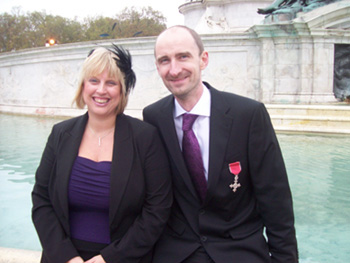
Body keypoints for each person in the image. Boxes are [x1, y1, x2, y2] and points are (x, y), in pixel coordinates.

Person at [143, 25, 298, 263]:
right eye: (165, 60)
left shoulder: (248, 115)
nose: (174, 69)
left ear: (203, 59)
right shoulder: (153, 117)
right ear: (157, 67)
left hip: (239, 250)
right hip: (176, 252)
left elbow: (275, 199)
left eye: (183, 56)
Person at [32, 44, 172, 263]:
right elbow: (41, 199)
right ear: (83, 85)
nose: (101, 90)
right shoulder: (60, 134)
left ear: (122, 90)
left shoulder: (145, 138)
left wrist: (109, 258)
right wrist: (67, 257)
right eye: (94, 81)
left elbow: (157, 209)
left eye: (111, 83)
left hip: (124, 257)